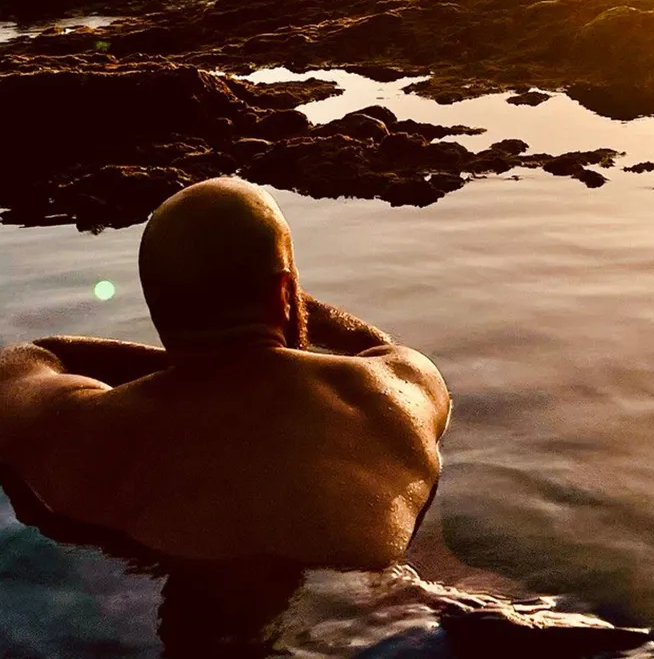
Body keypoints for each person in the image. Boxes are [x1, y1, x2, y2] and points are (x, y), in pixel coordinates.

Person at [0, 178, 451, 569]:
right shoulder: (397, 389)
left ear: (159, 304)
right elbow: (383, 347)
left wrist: (194, 364)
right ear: (282, 293)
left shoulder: (80, 430)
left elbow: (24, 359)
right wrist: (292, 307)